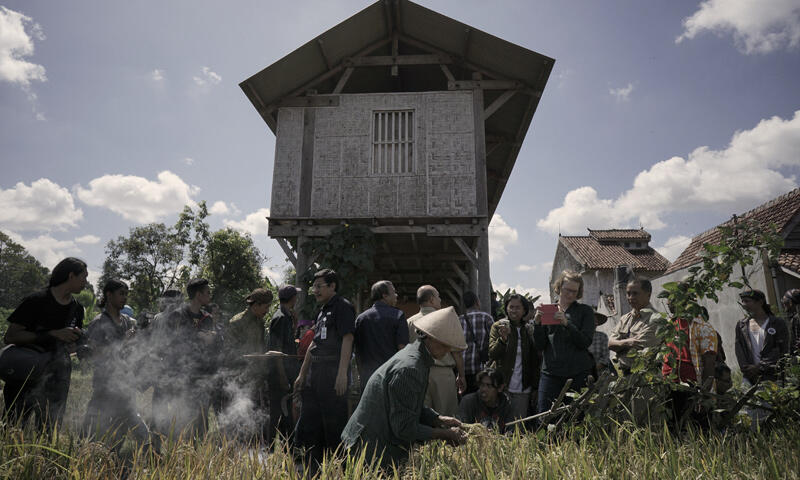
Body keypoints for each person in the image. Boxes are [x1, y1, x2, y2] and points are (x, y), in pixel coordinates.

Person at [341, 306, 468, 467]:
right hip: (370, 447)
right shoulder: (411, 368)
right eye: (444, 344)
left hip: (375, 440)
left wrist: (437, 419)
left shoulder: (417, 356)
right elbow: (404, 428)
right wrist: (445, 434)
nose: (448, 350)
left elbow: (408, 404)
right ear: (429, 337)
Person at [3, 257, 86, 428]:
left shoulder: (77, 309)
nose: (86, 282)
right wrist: (52, 334)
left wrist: (75, 341)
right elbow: (11, 336)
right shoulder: (36, 300)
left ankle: (43, 455)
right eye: (83, 277)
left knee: (50, 428)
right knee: (13, 424)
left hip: (58, 375)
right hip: (26, 370)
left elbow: (70, 343)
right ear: (71, 276)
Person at [294, 269, 356, 465]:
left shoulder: (343, 307)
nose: (315, 290)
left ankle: (340, 468)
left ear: (332, 286)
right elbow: (313, 345)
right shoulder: (320, 311)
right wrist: (302, 374)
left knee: (334, 424)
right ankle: (313, 467)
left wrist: (342, 374)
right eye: (314, 287)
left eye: (319, 286)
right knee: (311, 423)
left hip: (332, 372)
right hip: (316, 374)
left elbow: (348, 338)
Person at [81, 279, 151, 447]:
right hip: (105, 384)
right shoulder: (99, 323)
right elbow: (95, 353)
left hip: (126, 382)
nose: (124, 298)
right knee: (96, 427)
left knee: (122, 426)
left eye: (126, 294)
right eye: (121, 294)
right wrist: (123, 342)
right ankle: (87, 456)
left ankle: (117, 459)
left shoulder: (127, 321)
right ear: (108, 295)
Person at [533, 270, 595, 414]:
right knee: (545, 415)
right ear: (559, 287)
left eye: (575, 291)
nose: (571, 294)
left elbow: (585, 342)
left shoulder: (584, 311)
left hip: (577, 372)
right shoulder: (548, 311)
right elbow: (540, 345)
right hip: (551, 373)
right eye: (567, 290)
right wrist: (537, 324)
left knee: (576, 418)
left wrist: (567, 324)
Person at [161, 278, 217, 436]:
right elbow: (171, 342)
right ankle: (178, 456)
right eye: (207, 292)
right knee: (183, 419)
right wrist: (198, 336)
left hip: (202, 375)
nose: (209, 295)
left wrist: (212, 339)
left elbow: (210, 345)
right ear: (198, 295)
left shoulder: (207, 318)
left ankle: (198, 457)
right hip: (182, 376)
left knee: (202, 420)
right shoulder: (177, 316)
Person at [221, 288, 273, 441]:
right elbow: (228, 353)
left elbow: (261, 347)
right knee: (238, 421)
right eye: (266, 306)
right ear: (256, 305)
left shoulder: (260, 322)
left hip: (257, 379)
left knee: (257, 420)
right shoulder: (237, 322)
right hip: (240, 380)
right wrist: (249, 358)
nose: (267, 310)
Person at [407, 285, 465, 416]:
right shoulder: (445, 319)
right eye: (438, 297)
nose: (440, 300)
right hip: (443, 375)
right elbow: (457, 353)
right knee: (447, 418)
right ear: (432, 299)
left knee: (422, 417)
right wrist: (461, 375)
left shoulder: (409, 322)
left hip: (418, 374)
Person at [488, 294, 538, 419]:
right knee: (499, 423)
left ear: (524, 310)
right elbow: (492, 354)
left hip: (523, 387)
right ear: (506, 308)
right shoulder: (498, 326)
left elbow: (535, 360)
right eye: (511, 307)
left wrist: (535, 386)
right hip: (502, 385)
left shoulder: (528, 329)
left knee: (518, 424)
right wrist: (503, 339)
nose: (514, 310)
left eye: (518, 307)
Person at [354, 280, 408, 387]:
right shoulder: (398, 315)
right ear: (385, 296)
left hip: (368, 376)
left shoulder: (361, 318)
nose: (396, 295)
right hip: (391, 375)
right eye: (393, 292)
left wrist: (361, 372)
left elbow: (357, 350)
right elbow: (402, 348)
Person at [267, 284, 302, 443]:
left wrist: (295, 325)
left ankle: (287, 449)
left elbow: (288, 343)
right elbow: (276, 351)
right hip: (280, 375)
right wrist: (282, 377)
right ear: (293, 298)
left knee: (286, 412)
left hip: (287, 373)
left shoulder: (287, 316)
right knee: (277, 413)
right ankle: (270, 449)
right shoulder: (280, 318)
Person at [735, 289, 790, 386]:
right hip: (751, 378)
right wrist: (747, 369)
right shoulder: (741, 325)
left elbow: (781, 349)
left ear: (760, 302)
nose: (744, 304)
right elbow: (739, 349)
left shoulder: (777, 323)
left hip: (773, 376)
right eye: (742, 301)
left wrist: (760, 367)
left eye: (747, 301)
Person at [608, 279, 660, 375]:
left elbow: (639, 347)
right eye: (628, 293)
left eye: (635, 293)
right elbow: (610, 344)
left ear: (648, 295)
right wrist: (628, 343)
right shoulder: (624, 318)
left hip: (646, 375)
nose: (630, 297)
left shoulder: (655, 319)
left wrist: (619, 344)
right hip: (623, 372)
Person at [457, 368, 513, 433]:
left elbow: (512, 432)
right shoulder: (468, 402)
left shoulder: (508, 405)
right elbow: (461, 428)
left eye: (489, 386)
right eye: (482, 385)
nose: (483, 389)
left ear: (500, 388)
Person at [460, 291, 494, 394]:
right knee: (481, 401)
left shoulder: (459, 320)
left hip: (463, 368)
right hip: (481, 368)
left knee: (466, 400)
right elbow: (494, 340)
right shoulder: (486, 317)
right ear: (477, 302)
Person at [588, 310, 611, 379]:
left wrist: (592, 370)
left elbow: (605, 358)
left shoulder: (602, 336)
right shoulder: (578, 336)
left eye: (596, 321)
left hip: (600, 375)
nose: (595, 323)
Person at [781, 288, 800, 355]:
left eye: (784, 301)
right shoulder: (793, 318)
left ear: (790, 302)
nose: (783, 303)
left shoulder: (796, 318)